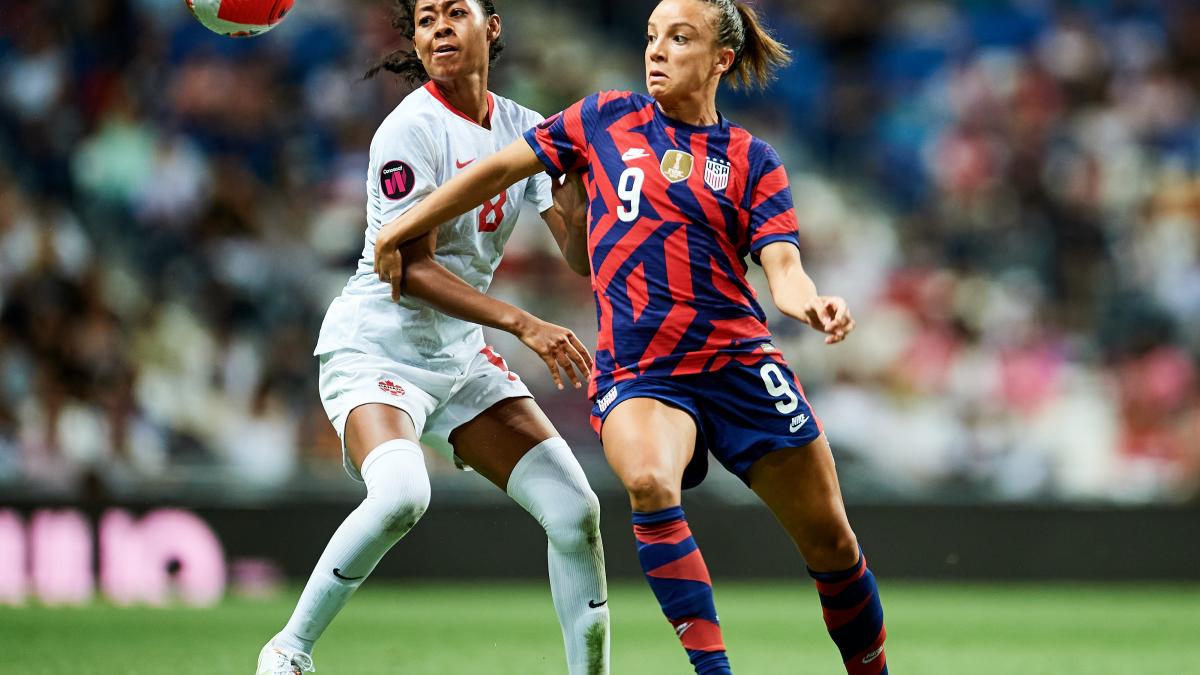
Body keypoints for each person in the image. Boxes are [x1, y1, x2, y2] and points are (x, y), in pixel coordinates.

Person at [371, 0, 890, 673]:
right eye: (651, 37)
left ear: (720, 60)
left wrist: (813, 303)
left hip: (740, 364)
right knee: (648, 479)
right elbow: (498, 170)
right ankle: (714, 670)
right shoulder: (603, 118)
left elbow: (782, 268)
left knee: (833, 546)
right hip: (642, 372)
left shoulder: (751, 160)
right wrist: (403, 225)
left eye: (679, 38)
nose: (657, 51)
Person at [255, 1, 611, 673]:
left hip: (458, 359)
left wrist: (577, 191)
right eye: (425, 19)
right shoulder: (408, 130)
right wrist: (520, 321)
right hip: (375, 349)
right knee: (401, 495)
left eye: (455, 12)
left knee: (575, 511)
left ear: (493, 25)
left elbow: (580, 256)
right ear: (414, 40)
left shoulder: (521, 128)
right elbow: (407, 270)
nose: (439, 28)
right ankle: (287, 651)